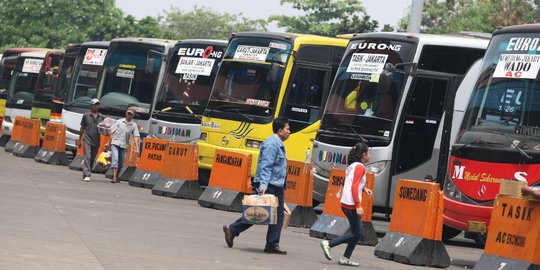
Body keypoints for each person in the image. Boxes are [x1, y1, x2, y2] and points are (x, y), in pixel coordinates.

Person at [222, 117, 290, 255]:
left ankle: (272, 244)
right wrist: (263, 185)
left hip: (276, 185)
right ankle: (233, 230)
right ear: (280, 130)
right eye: (287, 129)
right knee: (259, 213)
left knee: (275, 215)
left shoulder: (277, 143)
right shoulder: (272, 144)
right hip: (269, 185)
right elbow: (266, 166)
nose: (290, 132)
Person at [319, 141, 373, 267]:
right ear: (363, 155)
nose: (370, 155)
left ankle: (345, 258)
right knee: (357, 233)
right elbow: (354, 186)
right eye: (369, 152)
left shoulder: (353, 165)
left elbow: (353, 183)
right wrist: (358, 205)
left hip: (346, 202)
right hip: (351, 204)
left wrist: (364, 189)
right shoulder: (360, 167)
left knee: (356, 233)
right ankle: (329, 244)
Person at [110, 107, 140, 183]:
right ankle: (113, 177)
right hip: (115, 142)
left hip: (124, 145)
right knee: (115, 159)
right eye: (128, 113)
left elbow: (136, 137)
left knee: (120, 162)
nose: (129, 115)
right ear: (126, 113)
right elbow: (112, 132)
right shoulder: (119, 122)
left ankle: (116, 176)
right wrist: (108, 142)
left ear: (133, 116)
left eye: (131, 114)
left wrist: (137, 148)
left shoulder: (133, 125)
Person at [79, 98, 104, 182]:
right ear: (91, 106)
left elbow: (105, 129)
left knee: (92, 157)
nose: (96, 106)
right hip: (87, 138)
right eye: (95, 105)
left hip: (96, 140)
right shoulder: (86, 116)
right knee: (87, 155)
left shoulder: (102, 117)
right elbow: (82, 128)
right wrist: (80, 140)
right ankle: (87, 174)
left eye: (97, 105)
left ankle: (87, 171)